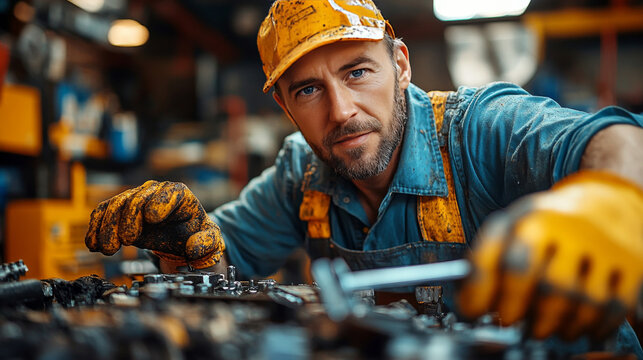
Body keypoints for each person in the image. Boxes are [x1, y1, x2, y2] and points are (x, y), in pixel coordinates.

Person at [85, 0, 643, 356]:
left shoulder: (480, 130)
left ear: (400, 64)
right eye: (308, 90)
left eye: (358, 72)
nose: (342, 110)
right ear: (284, 104)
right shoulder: (300, 175)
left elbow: (621, 141)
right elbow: (220, 260)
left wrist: (607, 201)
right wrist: (185, 247)